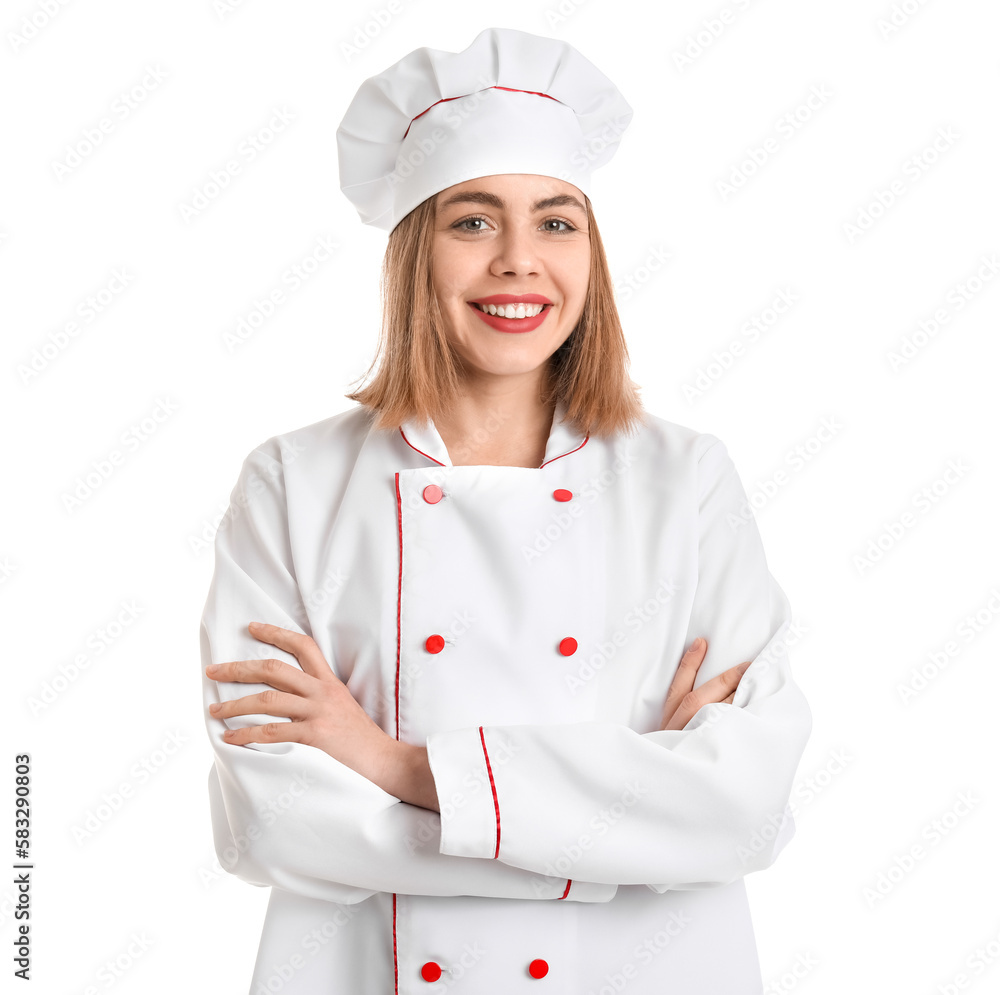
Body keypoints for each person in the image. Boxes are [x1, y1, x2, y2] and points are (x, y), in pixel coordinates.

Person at [200, 26, 813, 994]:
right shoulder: (294, 482)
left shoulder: (686, 479)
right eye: (473, 221)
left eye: (557, 222)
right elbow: (280, 817)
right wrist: (623, 827)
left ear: (592, 255)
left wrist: (394, 763)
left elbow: (741, 803)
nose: (519, 261)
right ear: (415, 252)